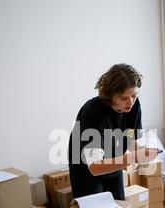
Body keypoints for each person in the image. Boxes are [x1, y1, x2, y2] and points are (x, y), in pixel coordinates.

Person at [68, 63, 159, 200]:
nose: (130, 103)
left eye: (134, 95)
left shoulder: (133, 106)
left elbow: (129, 136)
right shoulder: (92, 112)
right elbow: (95, 167)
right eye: (124, 98)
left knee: (118, 205)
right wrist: (134, 157)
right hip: (86, 168)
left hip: (113, 160)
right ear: (110, 95)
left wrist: (143, 151)